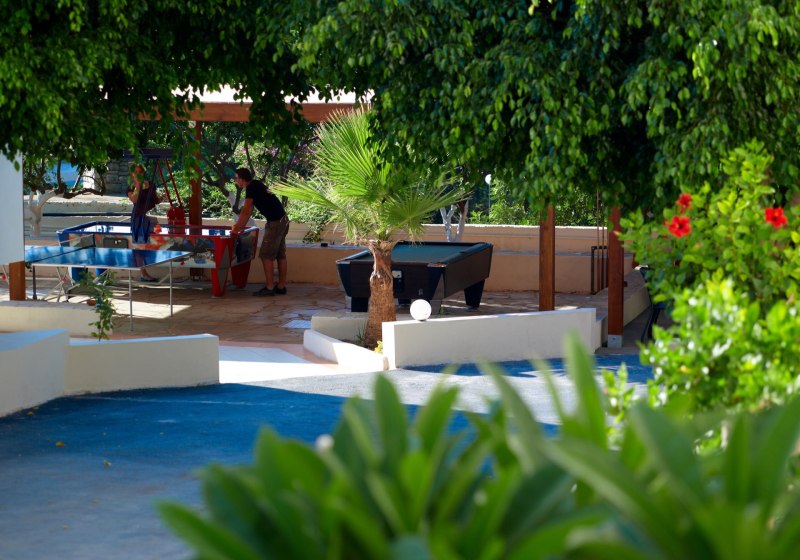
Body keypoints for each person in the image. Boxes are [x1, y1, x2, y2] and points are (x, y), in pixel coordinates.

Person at [230, 168, 290, 296]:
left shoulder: (251, 188)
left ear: (242, 179)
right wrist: (240, 226)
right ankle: (281, 286)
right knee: (280, 255)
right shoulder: (256, 185)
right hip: (283, 220)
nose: (235, 181)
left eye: (236, 178)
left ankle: (269, 287)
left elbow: (246, 211)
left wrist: (236, 228)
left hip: (275, 223)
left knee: (266, 255)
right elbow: (248, 211)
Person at [127, 164, 161, 281]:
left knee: (151, 243)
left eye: (140, 172)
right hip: (138, 218)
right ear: (132, 175)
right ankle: (143, 273)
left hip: (150, 218)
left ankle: (146, 270)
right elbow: (134, 199)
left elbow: (155, 200)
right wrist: (137, 185)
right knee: (140, 245)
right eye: (135, 172)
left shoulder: (151, 184)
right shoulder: (131, 187)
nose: (138, 174)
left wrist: (162, 198)